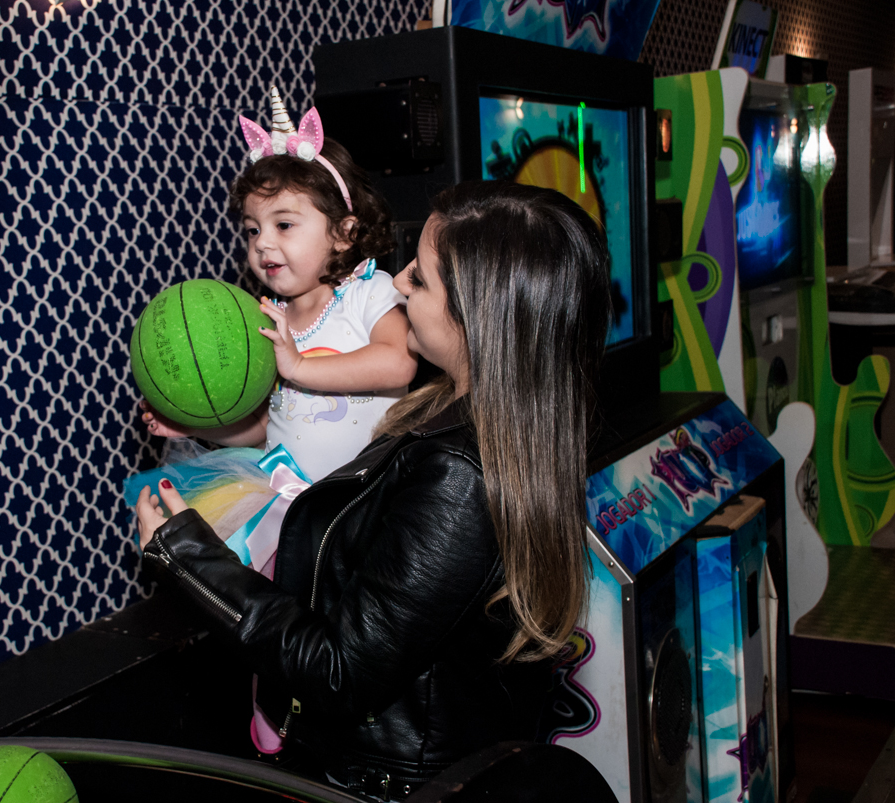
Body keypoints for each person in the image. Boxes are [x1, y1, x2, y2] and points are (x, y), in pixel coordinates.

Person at [135, 179, 612, 798]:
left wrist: (187, 557)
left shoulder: (460, 476)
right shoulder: (463, 418)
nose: (400, 281)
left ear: (480, 317)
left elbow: (339, 670)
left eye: (423, 278)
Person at [141, 87, 418, 484]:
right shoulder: (270, 317)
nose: (263, 243)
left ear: (343, 233)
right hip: (288, 500)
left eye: (284, 225)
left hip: (363, 501)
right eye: (253, 230)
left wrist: (300, 366)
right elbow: (261, 428)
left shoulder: (368, 292)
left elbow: (399, 362)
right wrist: (197, 426)